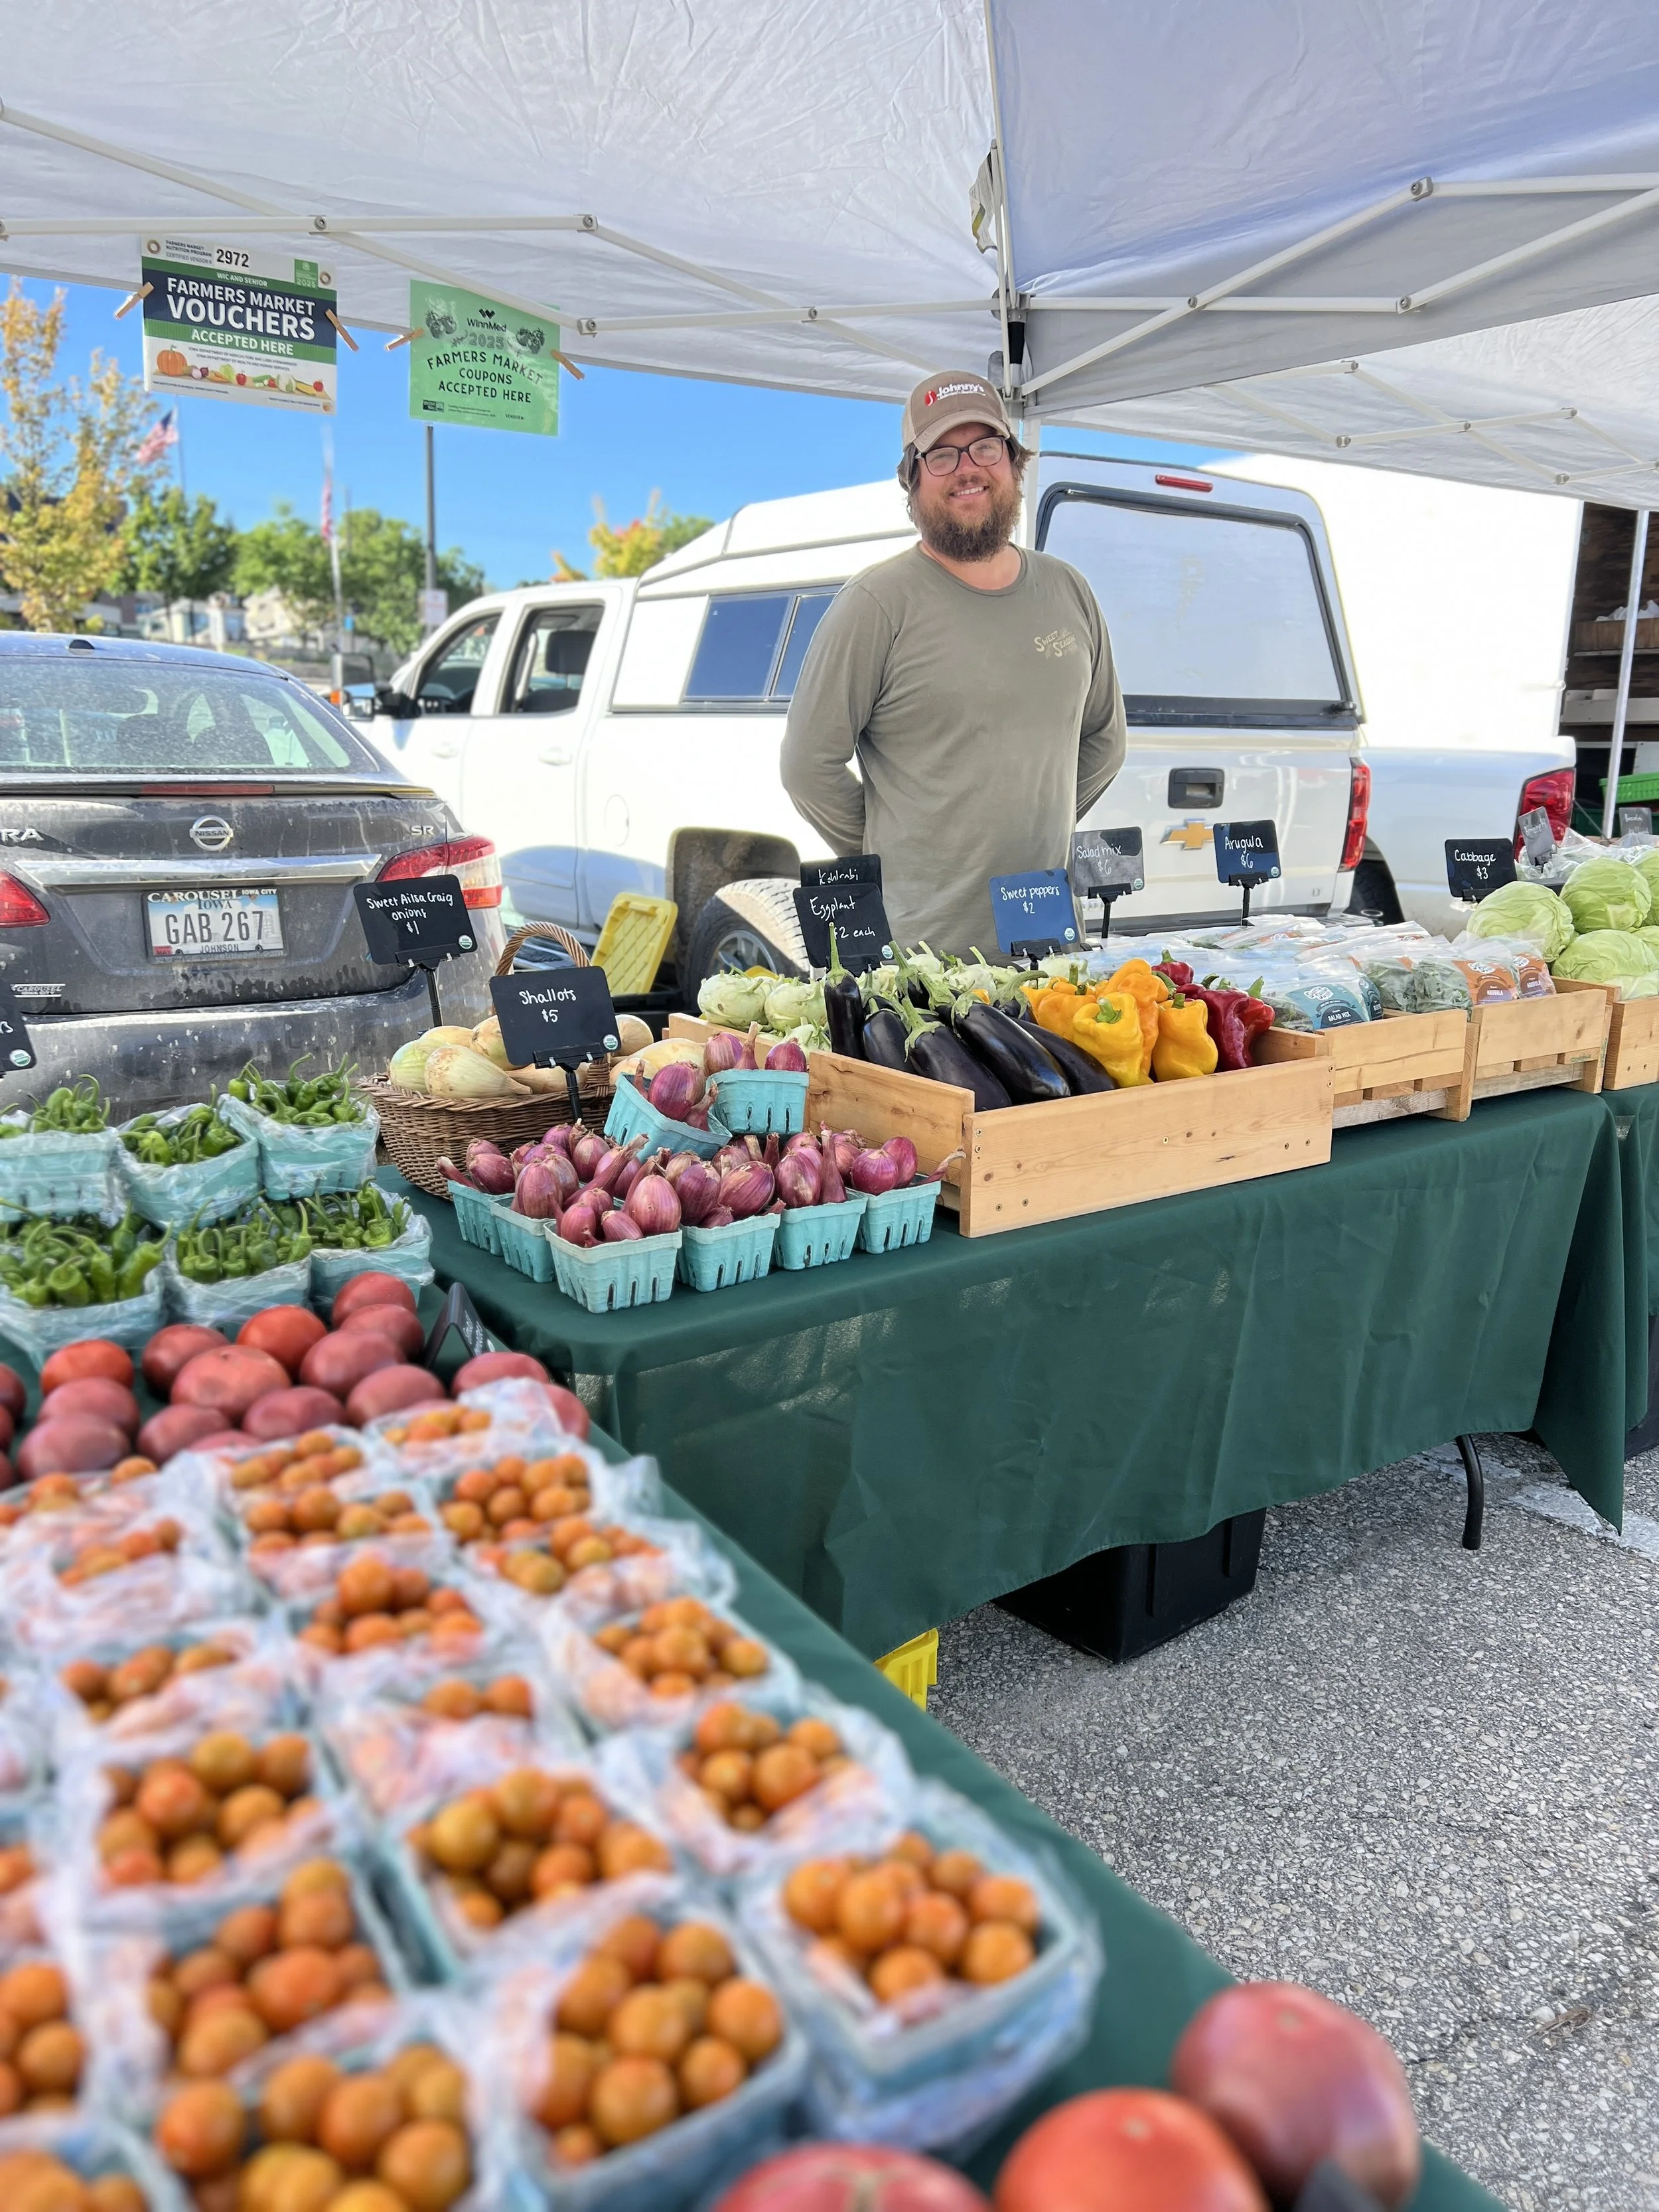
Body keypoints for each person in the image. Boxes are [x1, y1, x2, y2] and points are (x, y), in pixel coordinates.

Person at [780, 370, 1125, 956]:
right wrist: (900, 855)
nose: (968, 468)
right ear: (911, 480)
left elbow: (1105, 740)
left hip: (1049, 948)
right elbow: (808, 766)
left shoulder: (1070, 592)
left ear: (1014, 463)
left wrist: (1041, 832)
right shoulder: (876, 605)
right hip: (925, 962)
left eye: (986, 446)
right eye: (941, 455)